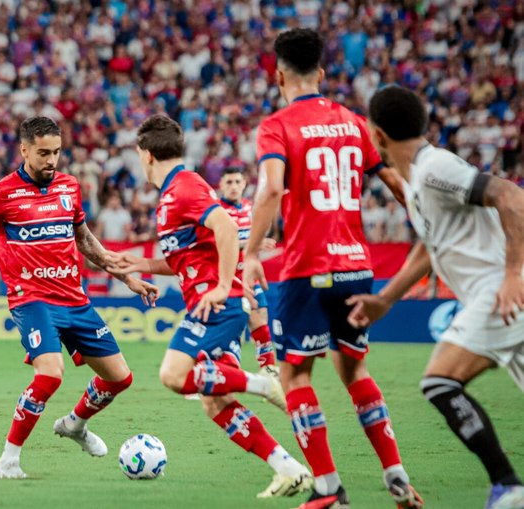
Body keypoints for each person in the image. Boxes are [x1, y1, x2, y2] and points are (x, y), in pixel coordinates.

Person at [0, 117, 158, 480]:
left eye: (56, 152)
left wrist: (128, 278)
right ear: (24, 150)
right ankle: (9, 460)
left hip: (74, 299)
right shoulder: (1, 192)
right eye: (43, 152)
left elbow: (85, 241)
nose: (51, 160)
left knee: (120, 378)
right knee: (51, 375)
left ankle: (74, 425)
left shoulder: (69, 186)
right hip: (32, 300)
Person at [241, 29, 422, 509]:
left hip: (306, 270)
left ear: (278, 75)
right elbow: (396, 182)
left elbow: (272, 189)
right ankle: (396, 475)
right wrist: (427, 228)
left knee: (296, 376)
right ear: (321, 74)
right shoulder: (355, 123)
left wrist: (253, 253)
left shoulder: (277, 126)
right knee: (355, 369)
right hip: (357, 268)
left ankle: (328, 490)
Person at [107, 115, 311, 499]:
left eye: (138, 154)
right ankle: (288, 468)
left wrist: (221, 287)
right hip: (209, 302)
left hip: (217, 304)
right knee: (215, 401)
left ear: (146, 154)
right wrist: (144, 265)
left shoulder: (184, 186)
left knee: (173, 375)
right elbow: (190, 256)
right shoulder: (171, 194)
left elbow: (227, 228)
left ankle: (264, 383)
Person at [348, 86, 524, 509]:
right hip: (499, 297)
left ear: (377, 135)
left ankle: (508, 486)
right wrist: (385, 300)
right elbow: (428, 248)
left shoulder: (433, 168)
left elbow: (510, 195)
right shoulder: (416, 182)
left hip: (501, 293)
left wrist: (514, 273)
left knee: (439, 380)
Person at [217, 167, 279, 372]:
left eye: (237, 182)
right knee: (227, 332)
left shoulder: (249, 208)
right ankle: (204, 373)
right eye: (229, 182)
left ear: (244, 184)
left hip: (249, 277)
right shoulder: (217, 212)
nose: (234, 186)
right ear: (221, 186)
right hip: (227, 279)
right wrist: (254, 243)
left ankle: (269, 372)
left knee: (261, 323)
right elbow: (219, 245)